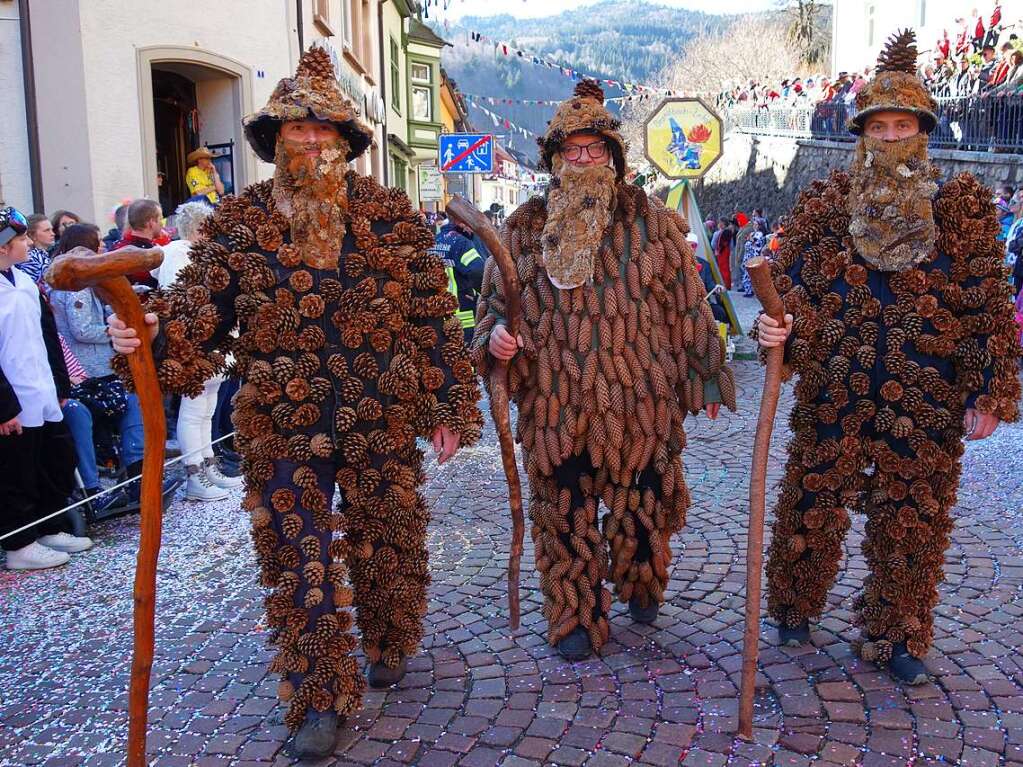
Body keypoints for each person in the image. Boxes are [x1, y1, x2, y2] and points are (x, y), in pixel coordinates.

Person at [107, 48, 482, 757]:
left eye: (323, 131)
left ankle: (390, 631)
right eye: (295, 131)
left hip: (381, 411)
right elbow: (197, 313)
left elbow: (432, 312)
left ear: (345, 142)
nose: (309, 141)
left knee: (388, 536)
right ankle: (318, 695)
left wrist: (450, 404)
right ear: (275, 141)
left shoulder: (388, 214)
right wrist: (149, 332)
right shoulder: (241, 223)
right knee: (295, 558)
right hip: (280, 420)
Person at [755, 30, 1020, 685]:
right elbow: (787, 282)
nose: (890, 136)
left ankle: (898, 632)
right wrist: (773, 321)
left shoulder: (958, 215)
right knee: (810, 497)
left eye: (902, 125)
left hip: (924, 394)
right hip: (834, 384)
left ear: (921, 131)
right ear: (861, 133)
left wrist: (989, 387)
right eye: (878, 125)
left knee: (914, 517)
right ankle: (792, 603)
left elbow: (988, 298)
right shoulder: (824, 207)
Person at [471, 80, 736, 663]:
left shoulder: (653, 225)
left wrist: (707, 375)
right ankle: (573, 614)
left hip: (640, 402)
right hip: (554, 404)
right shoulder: (522, 230)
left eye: (596, 149)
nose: (585, 159)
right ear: (555, 160)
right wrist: (496, 340)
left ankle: (641, 576)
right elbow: (493, 307)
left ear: (614, 158)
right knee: (563, 512)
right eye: (573, 150)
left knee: (643, 511)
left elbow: (687, 307)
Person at [0, 207, 94, 570]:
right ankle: (19, 542)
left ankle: (48, 524)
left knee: (55, 458)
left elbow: (47, 336)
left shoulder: (23, 281)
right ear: (5, 246)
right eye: (21, 239)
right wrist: (3, 407)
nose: (26, 243)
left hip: (40, 387)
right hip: (14, 396)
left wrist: (60, 382)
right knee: (17, 471)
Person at [48, 224, 152, 508]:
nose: (104, 247)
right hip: (88, 369)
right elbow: (82, 329)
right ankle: (132, 475)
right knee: (130, 405)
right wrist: (114, 329)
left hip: (92, 368)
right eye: (99, 243)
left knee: (132, 405)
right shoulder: (77, 285)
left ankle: (135, 473)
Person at [157, 201, 240, 501]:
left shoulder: (203, 254)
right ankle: (195, 473)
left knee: (206, 409)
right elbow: (184, 301)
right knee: (194, 411)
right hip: (197, 345)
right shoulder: (177, 255)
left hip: (215, 343)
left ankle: (210, 467)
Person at [431, 210, 484, 342]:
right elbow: (478, 271)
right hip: (461, 315)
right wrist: (484, 294)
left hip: (436, 312)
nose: (473, 226)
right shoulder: (461, 243)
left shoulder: (435, 240)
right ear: (461, 221)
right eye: (470, 221)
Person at [115, 198, 165, 289]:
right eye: (160, 218)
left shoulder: (117, 247)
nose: (162, 224)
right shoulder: (148, 254)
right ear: (151, 222)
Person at [19, 214, 56, 288]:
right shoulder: (30, 258)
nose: (53, 234)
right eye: (47, 230)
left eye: (52, 230)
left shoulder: (44, 254)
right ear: (32, 235)